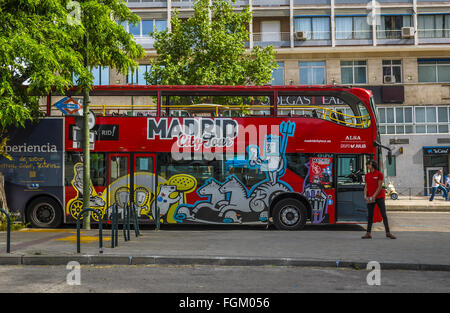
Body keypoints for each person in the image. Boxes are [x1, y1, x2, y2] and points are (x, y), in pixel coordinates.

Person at [362, 159, 396, 239]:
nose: (367, 166)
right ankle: (368, 233)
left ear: (372, 165)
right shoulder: (367, 175)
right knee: (370, 216)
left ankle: (388, 233)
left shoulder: (379, 174)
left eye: (368, 164)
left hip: (379, 197)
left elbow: (379, 187)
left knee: (384, 215)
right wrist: (365, 196)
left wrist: (374, 195)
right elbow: (366, 187)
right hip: (371, 198)